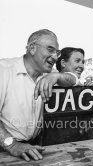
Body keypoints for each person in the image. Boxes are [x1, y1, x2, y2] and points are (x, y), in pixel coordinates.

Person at [0, 29, 77, 161]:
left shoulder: (48, 73)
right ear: (32, 48)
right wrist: (11, 144)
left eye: (57, 53)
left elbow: (74, 79)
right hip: (5, 148)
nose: (55, 57)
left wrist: (56, 76)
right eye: (50, 49)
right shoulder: (4, 70)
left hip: (32, 147)